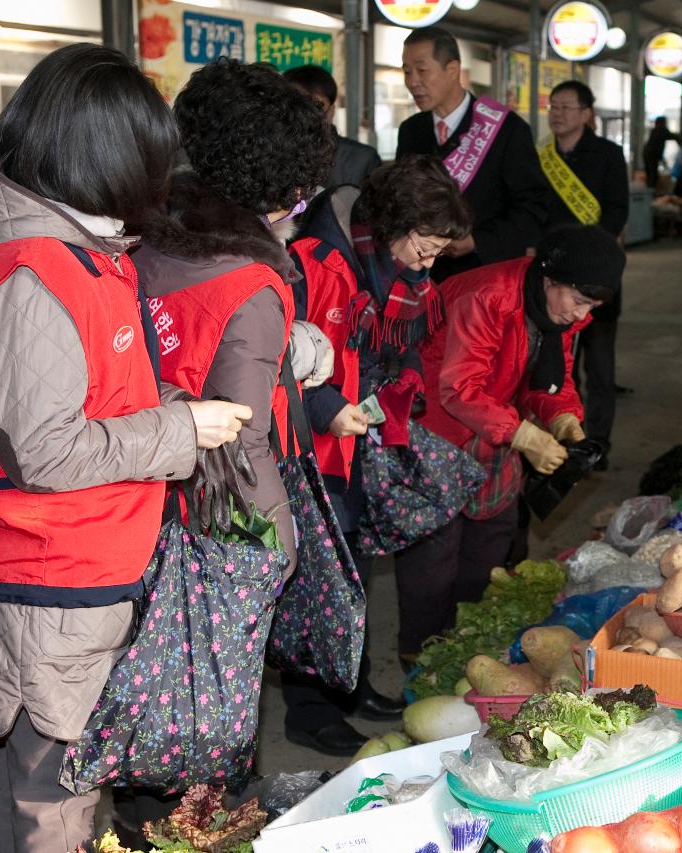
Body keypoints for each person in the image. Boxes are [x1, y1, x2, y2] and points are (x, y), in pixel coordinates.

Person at [0, 45, 252, 853]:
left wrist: (177, 405)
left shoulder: (78, 253)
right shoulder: (36, 272)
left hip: (61, 567)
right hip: (45, 576)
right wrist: (181, 430)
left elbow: (94, 394)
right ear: (103, 157)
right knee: (56, 797)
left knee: (38, 780)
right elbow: (46, 449)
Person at [281, 156, 471, 753]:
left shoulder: (392, 266)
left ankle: (352, 683)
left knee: (355, 567)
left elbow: (397, 342)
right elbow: (286, 357)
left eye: (440, 251)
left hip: (356, 434)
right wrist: (329, 408)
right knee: (323, 576)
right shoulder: (320, 258)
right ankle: (309, 711)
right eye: (426, 246)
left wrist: (398, 381)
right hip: (310, 445)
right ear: (394, 222)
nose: (429, 263)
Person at [135, 59, 335, 580]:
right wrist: (281, 551)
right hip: (208, 516)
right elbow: (245, 441)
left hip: (133, 501)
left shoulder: (144, 240)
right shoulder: (251, 286)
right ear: (281, 186)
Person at [394, 226, 625, 661]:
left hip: (493, 420)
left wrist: (563, 420)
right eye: (579, 301)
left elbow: (552, 377)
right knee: (435, 551)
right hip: (436, 425)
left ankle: (467, 642)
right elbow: (459, 388)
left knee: (492, 536)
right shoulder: (487, 296)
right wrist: (523, 434)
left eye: (591, 307)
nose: (580, 315)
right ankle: (418, 655)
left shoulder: (556, 311)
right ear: (551, 278)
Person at [396, 26, 549, 281]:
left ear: (453, 70)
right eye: (407, 72)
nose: (412, 82)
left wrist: (477, 241)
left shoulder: (506, 130)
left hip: (485, 277)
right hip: (421, 279)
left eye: (422, 70)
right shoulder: (411, 131)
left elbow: (534, 206)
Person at [540, 80, 628, 458]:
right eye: (553, 106)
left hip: (597, 277)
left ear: (586, 114)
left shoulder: (608, 154)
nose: (557, 113)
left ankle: (599, 442)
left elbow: (617, 211)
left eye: (566, 107)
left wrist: (590, 255)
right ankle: (568, 438)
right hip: (556, 280)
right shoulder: (542, 157)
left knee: (600, 364)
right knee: (559, 362)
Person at [284, 64, 381, 190]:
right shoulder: (274, 156)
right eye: (300, 106)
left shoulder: (363, 159)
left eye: (318, 106)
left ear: (332, 110)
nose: (309, 115)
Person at [643, 116, 676, 188]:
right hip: (652, 154)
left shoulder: (655, 130)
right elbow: (672, 136)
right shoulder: (661, 129)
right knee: (653, 173)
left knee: (650, 173)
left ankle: (650, 189)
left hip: (648, 153)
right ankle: (651, 190)